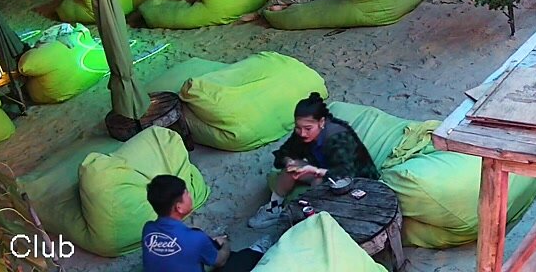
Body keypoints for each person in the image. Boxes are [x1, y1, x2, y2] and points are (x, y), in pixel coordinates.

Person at [248, 93, 378, 229]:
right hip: (325, 171)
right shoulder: (302, 133)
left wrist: (316, 171)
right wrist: (289, 161)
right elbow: (283, 153)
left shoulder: (339, 137)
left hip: (355, 180)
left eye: (308, 128)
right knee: (291, 170)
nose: (302, 133)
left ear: (321, 122)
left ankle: (311, 220)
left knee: (318, 181)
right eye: (298, 128)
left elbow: (345, 173)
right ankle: (273, 208)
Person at [142, 175, 271, 272]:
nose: (190, 196)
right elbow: (220, 261)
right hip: (207, 251)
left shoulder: (148, 229)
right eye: (187, 194)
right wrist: (225, 244)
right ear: (179, 207)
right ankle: (257, 250)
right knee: (239, 259)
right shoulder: (195, 238)